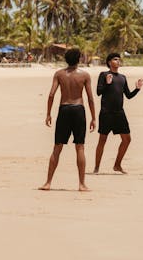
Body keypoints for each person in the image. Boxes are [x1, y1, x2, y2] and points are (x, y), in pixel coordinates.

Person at [39, 48, 96, 191]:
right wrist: (94, 118)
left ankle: (48, 183)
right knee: (80, 147)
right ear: (79, 59)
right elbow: (90, 98)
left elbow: (51, 95)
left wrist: (48, 114)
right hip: (78, 110)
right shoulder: (85, 75)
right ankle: (82, 184)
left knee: (57, 147)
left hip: (64, 110)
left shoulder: (59, 74)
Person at [93, 53, 143, 174]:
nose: (118, 61)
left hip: (119, 113)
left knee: (127, 139)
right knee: (102, 140)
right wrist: (107, 83)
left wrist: (137, 89)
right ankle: (96, 167)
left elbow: (128, 96)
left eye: (119, 59)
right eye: (115, 59)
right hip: (106, 112)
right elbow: (98, 92)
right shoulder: (104, 75)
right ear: (109, 62)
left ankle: (117, 165)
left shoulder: (122, 77)